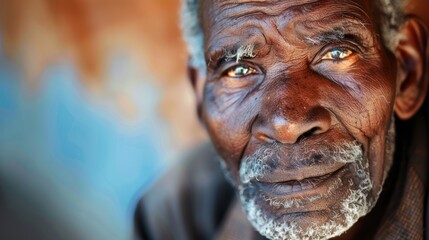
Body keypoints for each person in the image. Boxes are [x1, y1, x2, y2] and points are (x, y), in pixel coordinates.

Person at [135, 0, 429, 239]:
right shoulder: (178, 214)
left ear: (407, 70)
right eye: (239, 71)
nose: (287, 123)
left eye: (337, 53)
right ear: (201, 95)